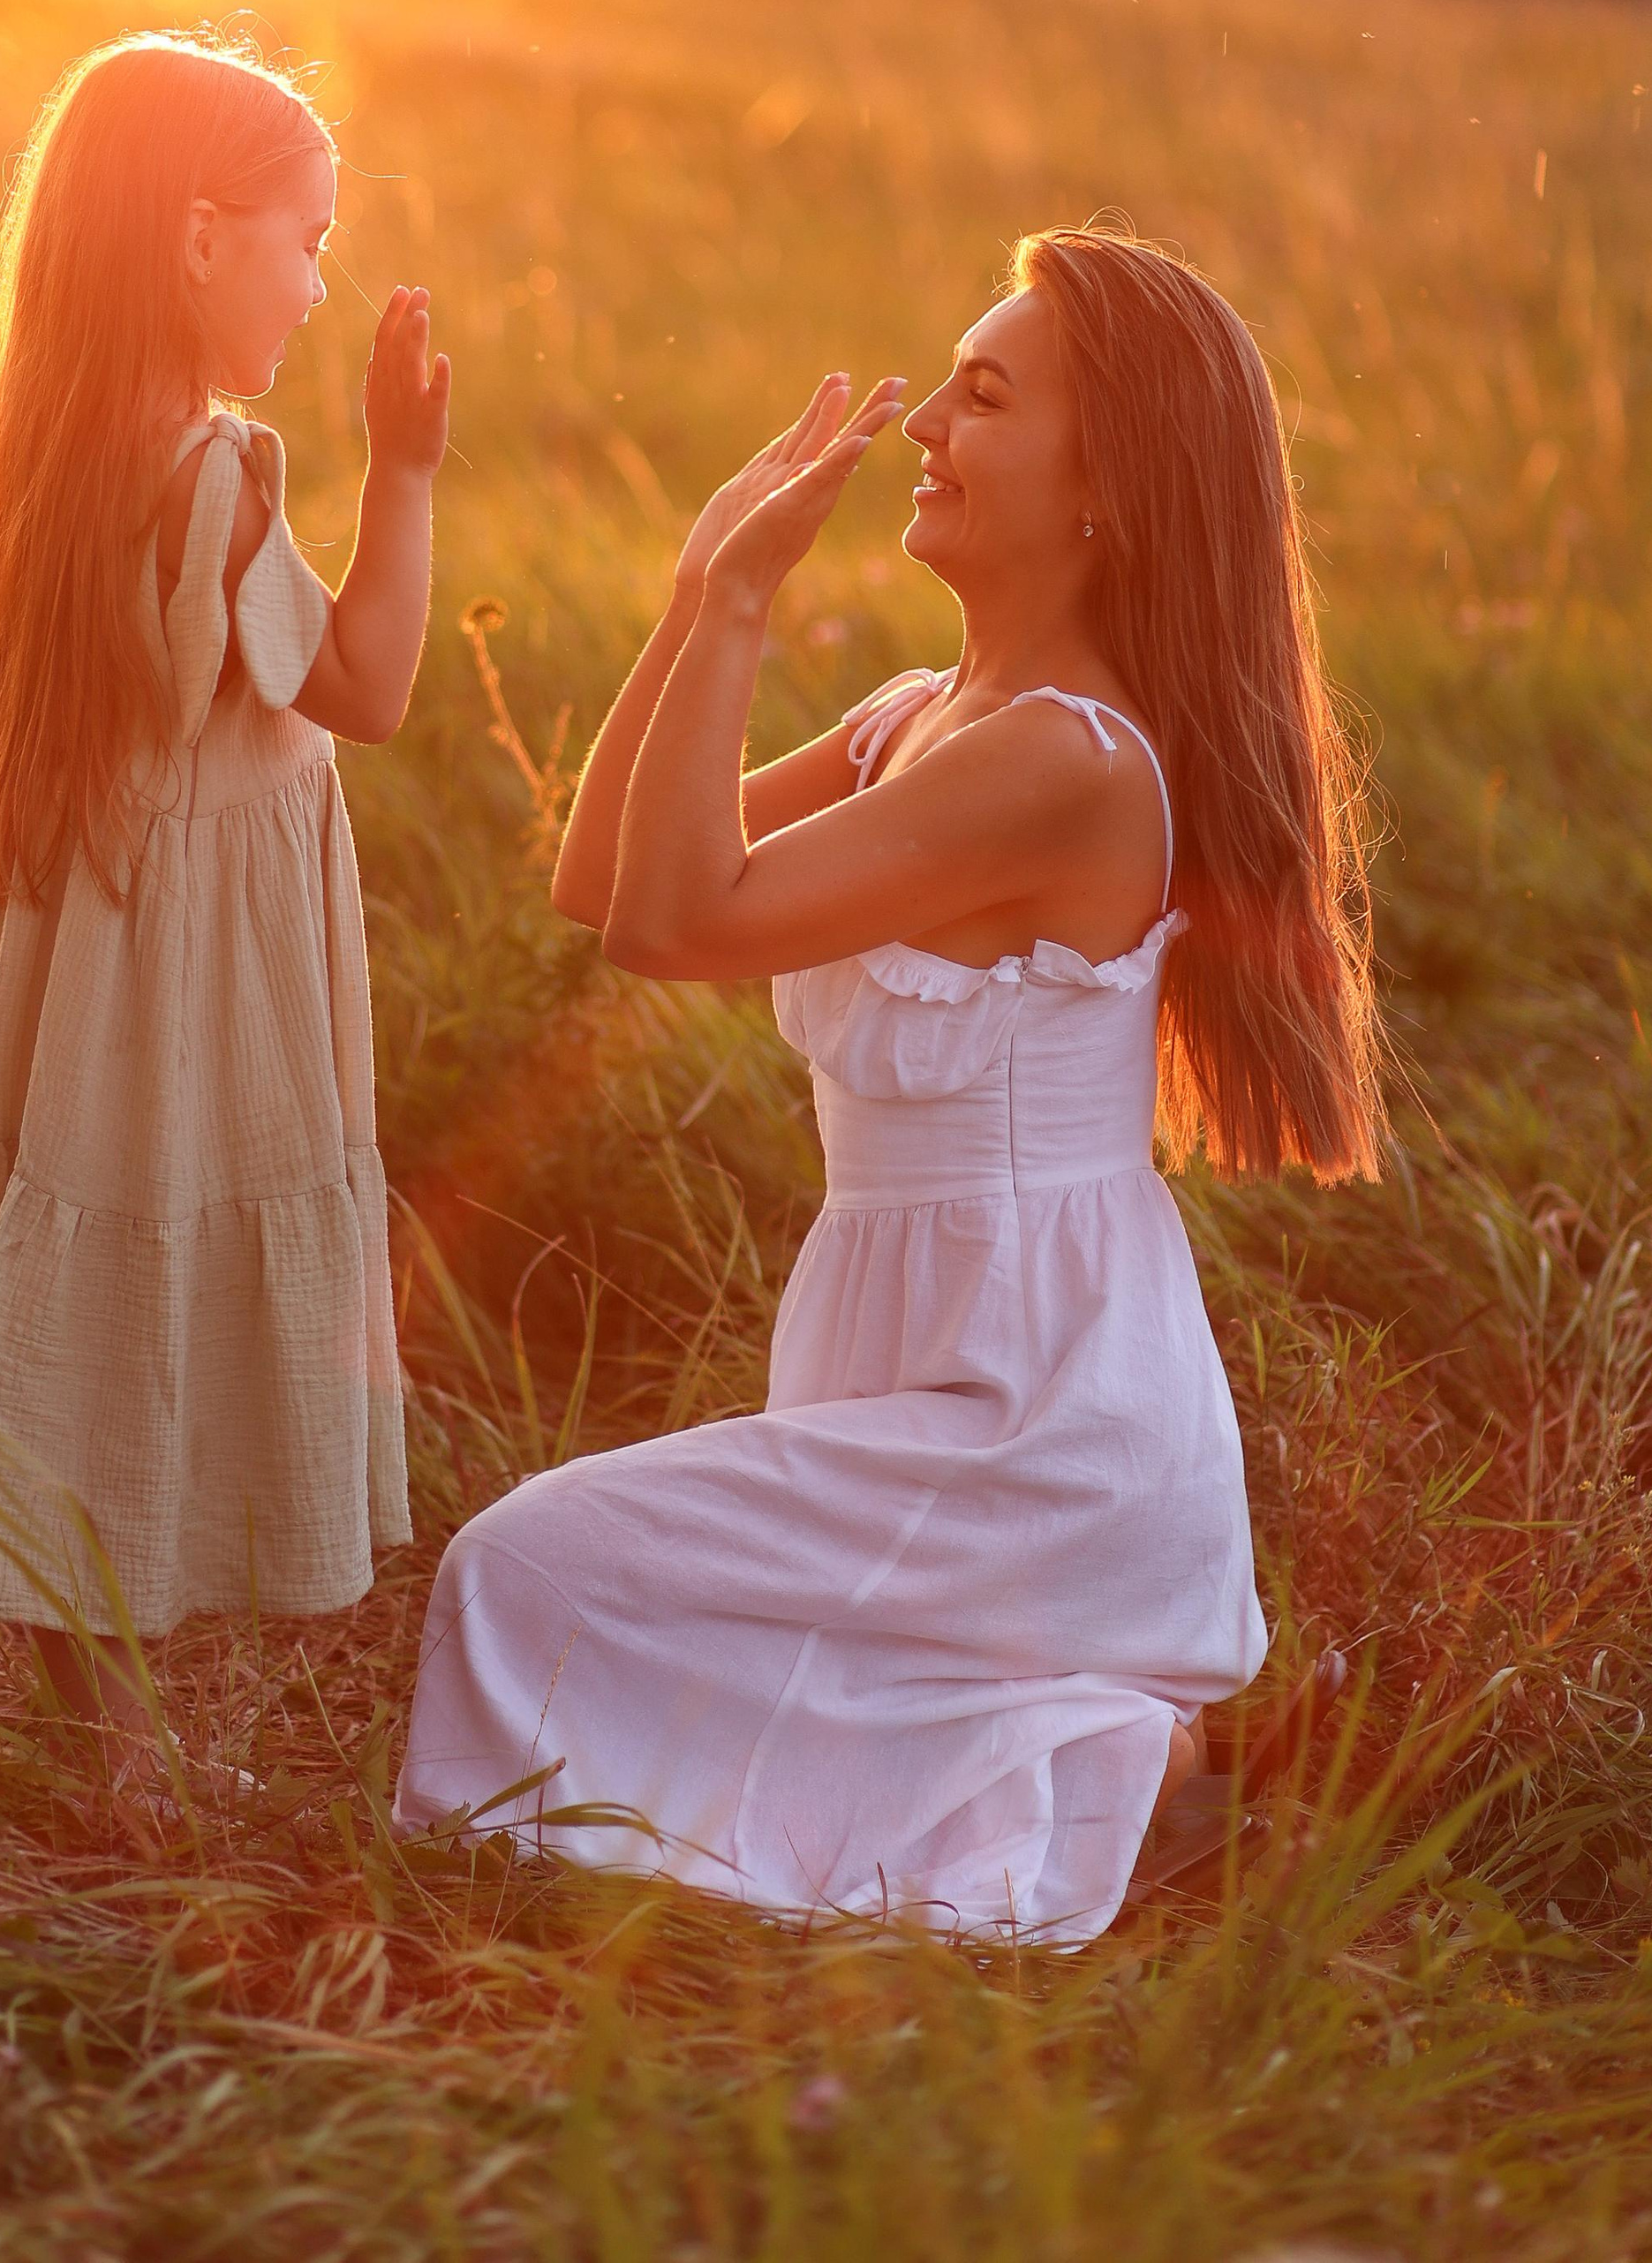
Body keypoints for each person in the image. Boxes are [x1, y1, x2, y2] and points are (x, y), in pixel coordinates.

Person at [395, 226, 1379, 1942]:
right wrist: (700, 588)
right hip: (903, 1358)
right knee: (671, 1641)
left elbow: (675, 923)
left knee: (519, 1574)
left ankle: (1111, 1780)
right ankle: (1122, 1777)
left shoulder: (1057, 764)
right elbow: (596, 874)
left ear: (1105, 490)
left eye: (981, 396)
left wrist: (733, 604)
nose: (919, 419)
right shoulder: (918, 715)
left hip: (1029, 1408)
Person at [0, 31, 450, 1789]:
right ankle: (126, 1760)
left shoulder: (65, 454)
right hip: (200, 970)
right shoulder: (210, 474)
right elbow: (365, 683)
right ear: (200, 239)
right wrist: (404, 464)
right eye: (305, 234)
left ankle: (97, 1720)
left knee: (103, 1263)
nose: (316, 277)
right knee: (170, 1268)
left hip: (95, 958)